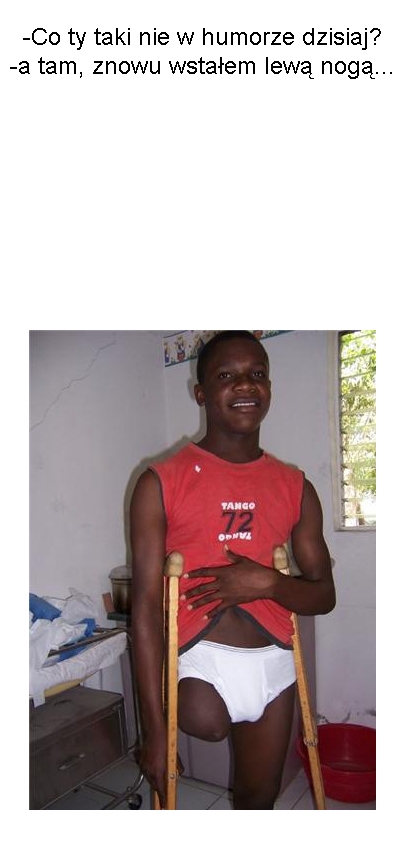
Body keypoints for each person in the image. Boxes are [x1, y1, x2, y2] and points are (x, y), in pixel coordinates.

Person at [130, 330, 335, 810]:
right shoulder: (160, 482)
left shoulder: (296, 486)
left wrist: (269, 583)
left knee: (258, 800)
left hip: (274, 663)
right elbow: (144, 610)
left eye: (257, 373)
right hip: (199, 657)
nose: (245, 385)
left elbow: (324, 596)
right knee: (208, 722)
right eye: (227, 375)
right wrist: (153, 733)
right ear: (201, 393)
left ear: (269, 387)